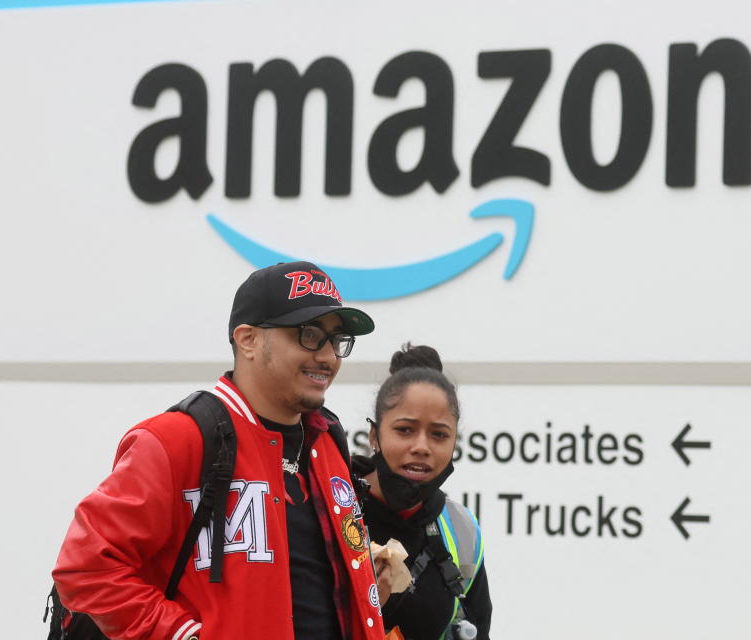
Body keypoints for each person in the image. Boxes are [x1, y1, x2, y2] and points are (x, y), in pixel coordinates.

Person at [52, 261, 386, 640]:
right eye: (308, 335)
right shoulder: (176, 439)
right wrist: (182, 634)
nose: (328, 357)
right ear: (248, 340)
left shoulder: (327, 439)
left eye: (337, 340)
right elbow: (86, 567)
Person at [354, 345, 492, 640]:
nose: (421, 446)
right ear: (375, 436)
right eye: (405, 430)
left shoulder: (461, 530)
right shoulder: (328, 506)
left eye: (439, 434)